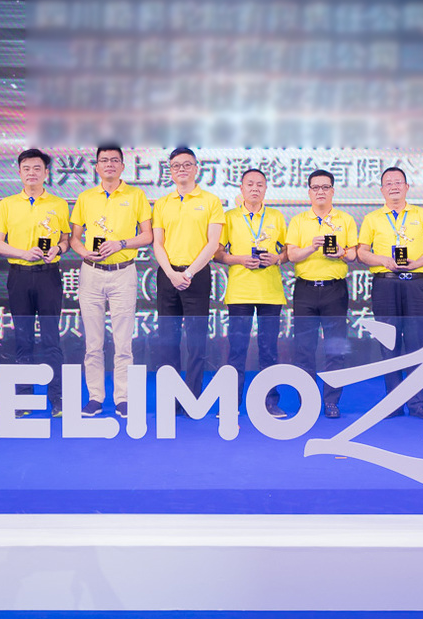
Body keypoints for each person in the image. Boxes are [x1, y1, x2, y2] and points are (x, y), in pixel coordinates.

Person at [69, 143, 152, 418]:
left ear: (122, 166)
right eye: (104, 160)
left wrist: (121, 244)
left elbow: (147, 235)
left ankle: (123, 398)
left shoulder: (136, 195)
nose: (109, 165)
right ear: (96, 166)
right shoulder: (85, 197)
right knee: (93, 343)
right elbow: (74, 238)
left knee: (123, 342)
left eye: (114, 160)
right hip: (91, 273)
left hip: (123, 272)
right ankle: (95, 397)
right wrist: (84, 252)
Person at [0, 149, 71, 417]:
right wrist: (23, 253)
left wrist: (58, 249)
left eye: (37, 168)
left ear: (46, 173)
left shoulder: (59, 204)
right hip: (19, 275)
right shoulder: (7, 204)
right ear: (19, 172)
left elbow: (66, 240)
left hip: (49, 275)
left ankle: (57, 399)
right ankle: (24, 399)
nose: (32, 173)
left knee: (51, 338)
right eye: (26, 168)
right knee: (22, 337)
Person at [358, 166, 423, 419]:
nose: (394, 186)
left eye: (398, 182)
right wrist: (384, 260)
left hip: (415, 283)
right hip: (385, 283)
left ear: (406, 187)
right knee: (389, 343)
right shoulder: (372, 218)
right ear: (382, 189)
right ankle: (393, 403)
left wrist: (416, 264)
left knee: (417, 343)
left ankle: (418, 404)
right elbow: (362, 252)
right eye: (389, 183)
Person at [151, 146, 225, 401]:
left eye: (186, 164)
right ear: (170, 171)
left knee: (196, 341)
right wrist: (171, 273)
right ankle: (170, 398)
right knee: (167, 339)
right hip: (167, 275)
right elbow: (157, 243)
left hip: (197, 276)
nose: (181, 169)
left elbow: (213, 243)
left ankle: (192, 397)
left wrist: (189, 273)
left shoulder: (211, 201)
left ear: (196, 169)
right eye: (176, 166)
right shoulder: (162, 203)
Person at [285, 170, 360, 419]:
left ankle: (331, 402)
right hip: (305, 290)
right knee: (304, 349)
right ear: (309, 192)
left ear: (333, 191)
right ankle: (307, 400)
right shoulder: (298, 221)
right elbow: (292, 255)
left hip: (334, 290)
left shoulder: (345, 219)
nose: (320, 191)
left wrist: (341, 252)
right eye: (315, 187)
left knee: (335, 348)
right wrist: (312, 247)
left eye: (325, 187)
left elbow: (353, 254)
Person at [216, 168, 288, 418]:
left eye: (260, 184)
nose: (255, 188)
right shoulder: (229, 217)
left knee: (269, 350)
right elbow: (217, 253)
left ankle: (269, 402)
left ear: (266, 188)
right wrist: (239, 259)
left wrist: (277, 258)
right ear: (241, 188)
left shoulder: (276, 216)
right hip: (240, 293)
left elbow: (288, 252)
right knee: (237, 350)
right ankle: (231, 404)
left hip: (271, 293)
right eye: (250, 184)